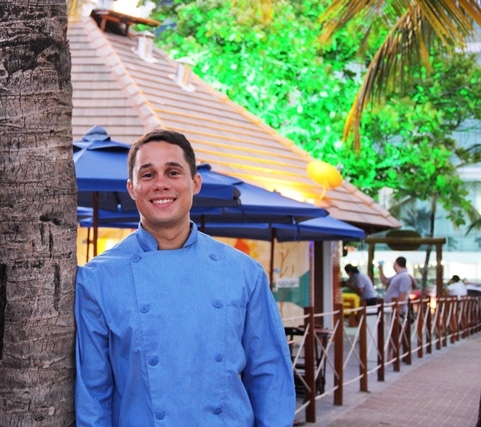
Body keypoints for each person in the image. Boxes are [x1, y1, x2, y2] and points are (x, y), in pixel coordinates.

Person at [75, 128, 296, 426]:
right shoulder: (97, 279)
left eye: (173, 172)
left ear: (195, 183)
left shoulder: (244, 273)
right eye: (148, 174)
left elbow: (270, 376)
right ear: (132, 188)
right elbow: (93, 392)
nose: (161, 184)